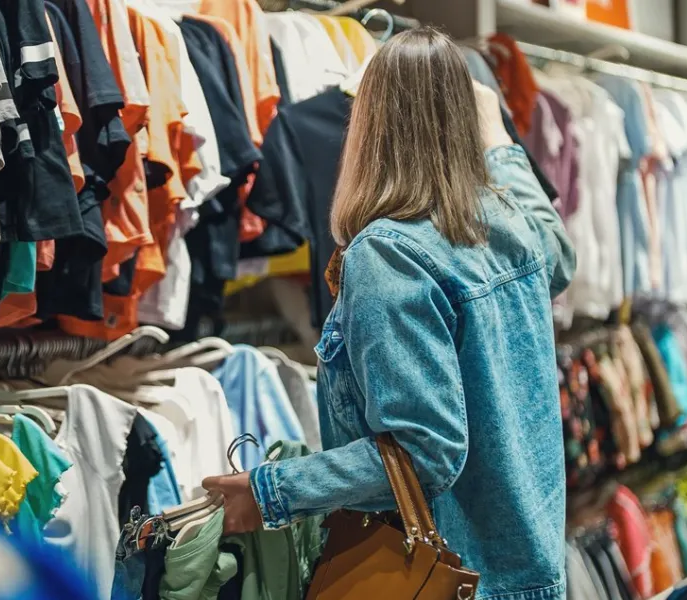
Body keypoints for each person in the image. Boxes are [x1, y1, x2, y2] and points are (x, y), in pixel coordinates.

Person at [203, 28, 576, 600]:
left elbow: (426, 452)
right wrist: (499, 142)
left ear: (368, 124)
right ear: (463, 118)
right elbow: (558, 249)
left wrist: (272, 490)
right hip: (531, 572)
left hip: (449, 578)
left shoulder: (390, 252)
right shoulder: (506, 221)